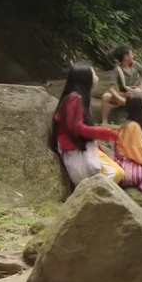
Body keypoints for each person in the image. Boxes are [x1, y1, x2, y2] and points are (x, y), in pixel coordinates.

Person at [49, 63, 123, 196]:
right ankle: (89, 202)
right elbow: (76, 128)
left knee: (115, 172)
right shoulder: (75, 99)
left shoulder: (79, 97)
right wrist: (107, 133)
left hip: (81, 145)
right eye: (93, 74)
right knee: (112, 173)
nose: (96, 77)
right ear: (85, 79)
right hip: (73, 147)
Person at [102, 46, 142, 124]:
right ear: (126, 57)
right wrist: (119, 98)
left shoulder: (135, 64)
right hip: (125, 94)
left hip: (137, 93)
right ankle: (104, 121)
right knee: (105, 97)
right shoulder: (117, 69)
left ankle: (139, 120)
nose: (133, 55)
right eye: (131, 54)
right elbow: (111, 88)